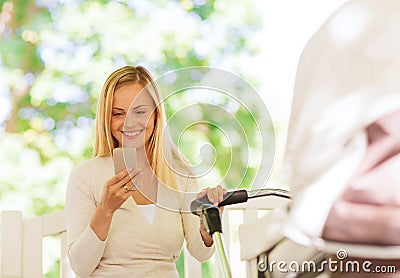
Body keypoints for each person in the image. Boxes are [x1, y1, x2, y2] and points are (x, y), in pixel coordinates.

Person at [65, 65, 225, 277]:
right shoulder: (86, 175)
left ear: (156, 115)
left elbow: (200, 252)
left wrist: (208, 222)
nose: (129, 122)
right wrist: (106, 209)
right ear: (106, 118)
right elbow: (80, 267)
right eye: (118, 113)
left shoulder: (179, 173)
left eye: (140, 111)